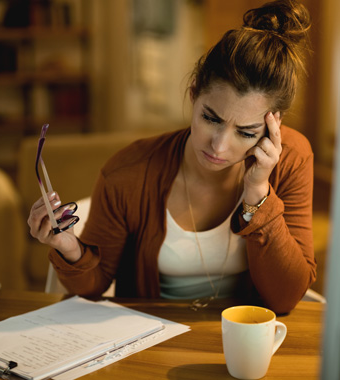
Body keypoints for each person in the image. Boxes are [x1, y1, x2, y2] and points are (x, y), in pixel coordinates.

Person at [28, 0, 316, 314]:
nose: (219, 146)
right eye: (211, 118)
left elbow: (285, 299)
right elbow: (94, 286)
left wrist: (258, 195)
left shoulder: (291, 159)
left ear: (274, 125)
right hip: (151, 336)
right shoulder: (129, 172)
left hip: (243, 335)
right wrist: (68, 247)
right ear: (193, 95)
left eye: (246, 133)